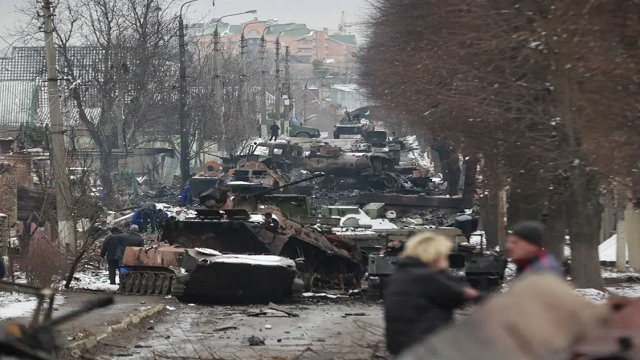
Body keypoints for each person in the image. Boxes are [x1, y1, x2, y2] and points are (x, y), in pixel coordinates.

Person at [384, 232, 481, 356]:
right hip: (426, 345)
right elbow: (456, 297)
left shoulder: (400, 275)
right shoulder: (427, 277)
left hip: (402, 345)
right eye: (444, 255)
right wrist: (442, 271)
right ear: (434, 255)